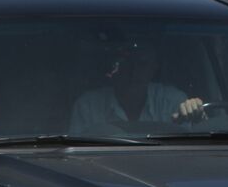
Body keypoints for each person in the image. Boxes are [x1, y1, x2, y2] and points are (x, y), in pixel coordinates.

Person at [69, 39, 205, 132]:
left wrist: (199, 117)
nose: (134, 72)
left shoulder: (173, 102)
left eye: (142, 63)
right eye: (127, 63)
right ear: (113, 68)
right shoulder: (88, 106)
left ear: (153, 68)